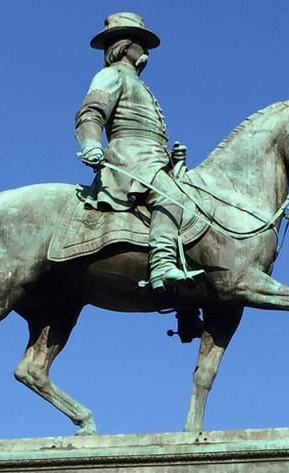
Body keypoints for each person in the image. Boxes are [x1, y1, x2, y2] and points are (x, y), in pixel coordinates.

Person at [75, 11, 203, 291]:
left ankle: (187, 300)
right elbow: (91, 114)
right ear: (124, 46)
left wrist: (172, 158)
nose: (145, 50)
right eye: (140, 43)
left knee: (198, 201)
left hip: (153, 160)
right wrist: (91, 144)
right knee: (172, 197)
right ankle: (161, 265)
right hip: (129, 158)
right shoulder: (111, 76)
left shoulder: (140, 84)